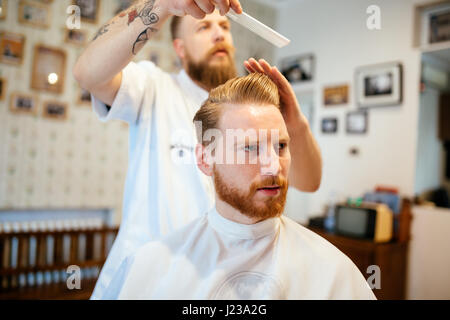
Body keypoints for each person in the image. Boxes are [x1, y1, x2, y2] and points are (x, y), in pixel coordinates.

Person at [73, 0, 322, 299]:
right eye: (204, 26)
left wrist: (295, 124)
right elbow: (88, 73)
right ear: (180, 48)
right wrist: (161, 5)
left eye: (225, 27)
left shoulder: (249, 114)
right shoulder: (153, 88)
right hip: (148, 284)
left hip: (221, 286)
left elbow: (309, 182)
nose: (218, 34)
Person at [108, 72, 375, 300]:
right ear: (205, 159)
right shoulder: (152, 267)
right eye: (249, 147)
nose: (273, 166)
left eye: (280, 146)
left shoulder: (332, 271)